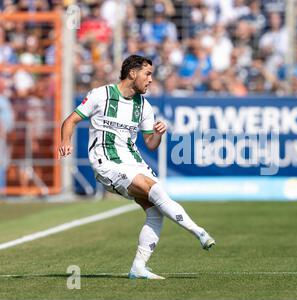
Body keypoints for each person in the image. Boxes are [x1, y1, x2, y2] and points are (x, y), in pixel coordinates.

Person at [58, 55, 215, 280]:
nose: (151, 80)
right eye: (148, 74)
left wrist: (158, 134)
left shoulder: (144, 106)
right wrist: (65, 141)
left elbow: (150, 144)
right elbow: (70, 120)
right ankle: (199, 232)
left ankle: (138, 268)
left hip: (133, 162)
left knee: (156, 212)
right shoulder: (101, 95)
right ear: (133, 73)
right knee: (154, 189)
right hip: (107, 162)